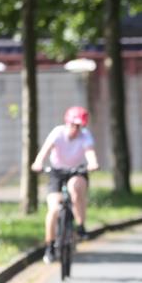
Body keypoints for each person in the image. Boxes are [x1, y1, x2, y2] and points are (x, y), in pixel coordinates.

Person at [31, 106, 100, 264]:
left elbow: (90, 152)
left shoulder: (85, 136)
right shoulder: (57, 133)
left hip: (77, 171)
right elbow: (44, 151)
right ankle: (49, 246)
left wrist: (93, 163)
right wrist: (38, 163)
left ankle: (80, 226)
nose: (77, 129)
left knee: (75, 188)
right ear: (67, 123)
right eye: (74, 126)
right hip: (57, 172)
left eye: (80, 126)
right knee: (54, 209)